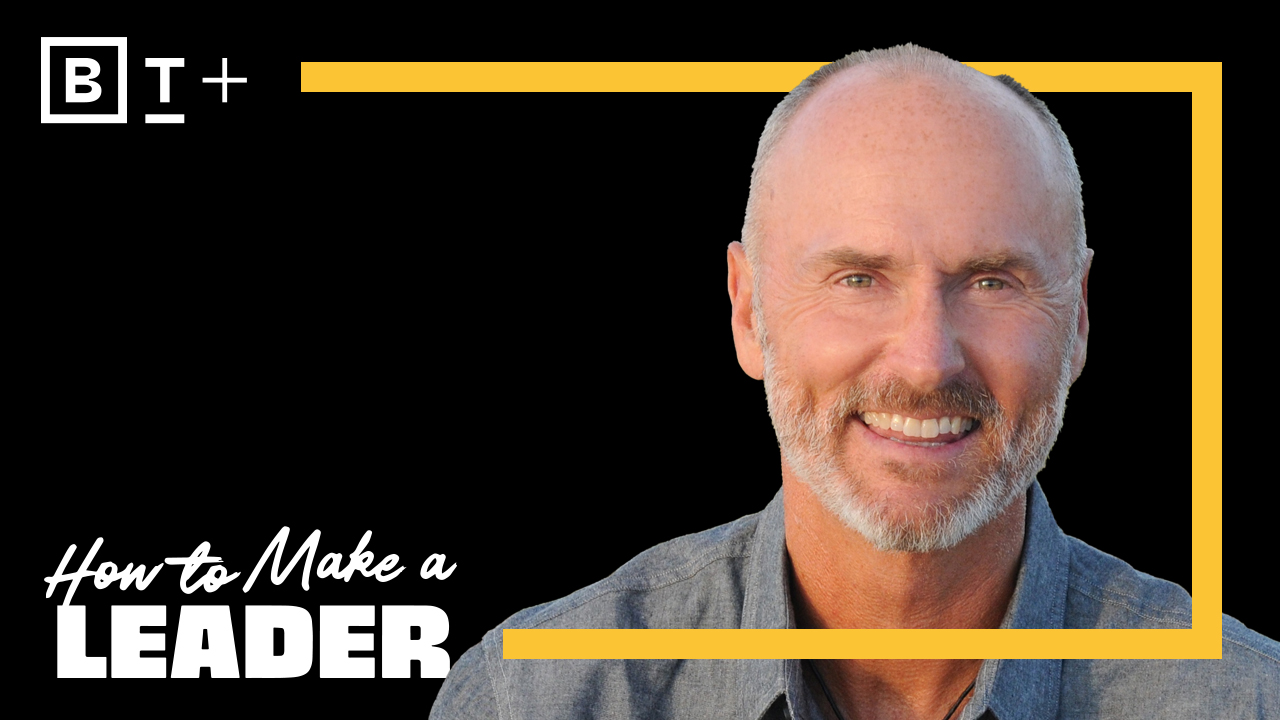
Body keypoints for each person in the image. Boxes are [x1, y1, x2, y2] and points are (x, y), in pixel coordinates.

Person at [430, 46, 1276, 719]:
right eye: (857, 279)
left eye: (991, 281)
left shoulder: (1245, 702)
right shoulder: (538, 698)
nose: (925, 361)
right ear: (748, 312)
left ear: (1080, 319)